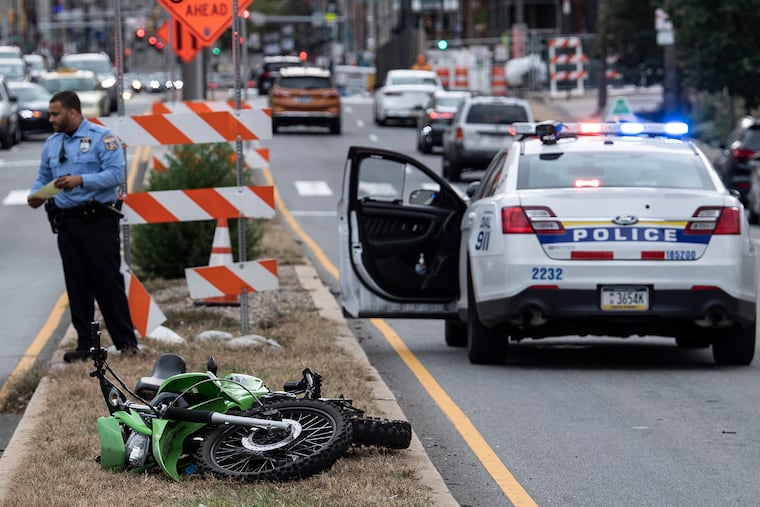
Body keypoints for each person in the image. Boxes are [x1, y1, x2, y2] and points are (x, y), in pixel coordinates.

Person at [27, 90, 139, 362]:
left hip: (97, 221)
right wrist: (36, 195)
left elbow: (116, 175)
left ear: (73, 112)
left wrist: (81, 180)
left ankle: (126, 343)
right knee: (76, 285)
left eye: (56, 114)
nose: (51, 118)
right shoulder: (52, 144)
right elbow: (43, 176)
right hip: (67, 222)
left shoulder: (102, 138)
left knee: (107, 282)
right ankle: (85, 345)